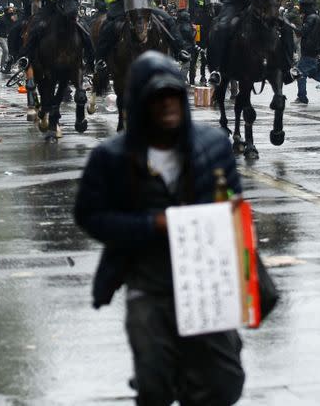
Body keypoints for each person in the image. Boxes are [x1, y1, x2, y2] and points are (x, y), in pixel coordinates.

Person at [74, 51, 245, 405]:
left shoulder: (213, 146)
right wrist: (152, 224)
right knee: (154, 384)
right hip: (148, 282)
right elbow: (89, 214)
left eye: (174, 96)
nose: (167, 105)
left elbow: (234, 200)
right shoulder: (112, 158)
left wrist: (225, 211)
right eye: (157, 98)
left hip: (204, 281)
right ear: (140, 104)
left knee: (223, 383)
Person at [0, 6, 17, 73]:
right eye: (10, 10)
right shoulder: (1, 18)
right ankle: (2, 66)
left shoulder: (13, 18)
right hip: (1, 36)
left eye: (12, 10)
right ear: (6, 11)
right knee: (6, 50)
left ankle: (7, 66)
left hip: (9, 37)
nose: (11, 12)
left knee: (9, 52)